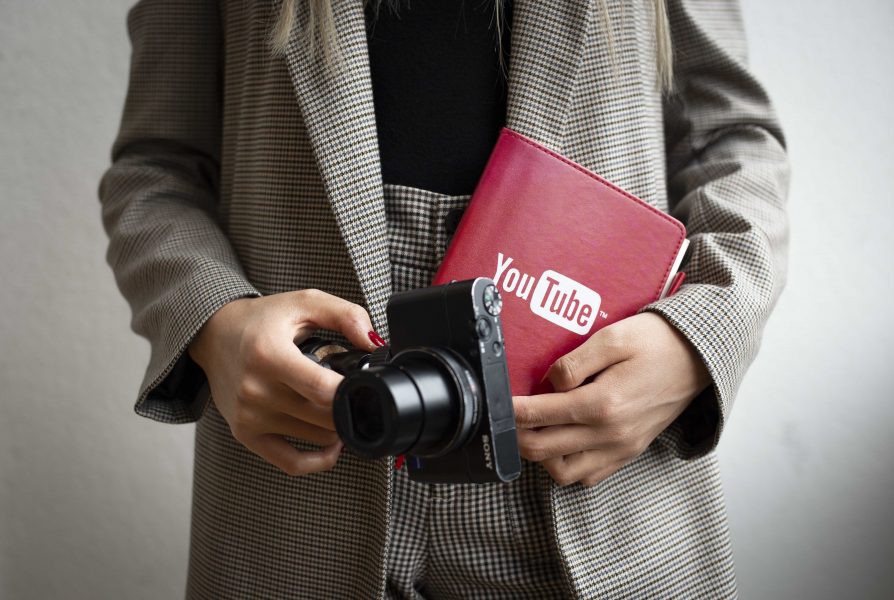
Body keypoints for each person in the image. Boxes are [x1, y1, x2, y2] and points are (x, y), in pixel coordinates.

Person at [98, 0, 789, 597]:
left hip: (588, 448)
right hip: (307, 468)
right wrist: (218, 324)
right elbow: (157, 171)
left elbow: (730, 138)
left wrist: (698, 336)